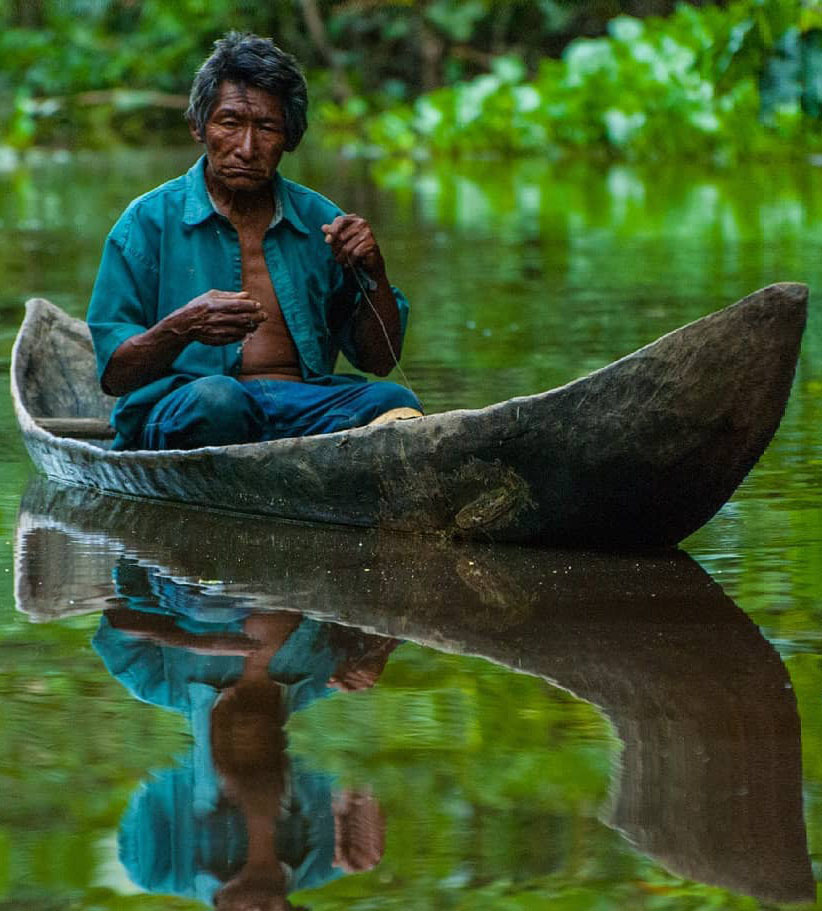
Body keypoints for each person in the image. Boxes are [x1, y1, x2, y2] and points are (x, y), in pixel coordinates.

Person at [87, 32, 422, 451]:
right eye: (229, 123)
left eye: (266, 127)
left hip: (301, 407)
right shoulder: (147, 222)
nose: (246, 148)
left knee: (394, 402)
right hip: (191, 405)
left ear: (290, 138)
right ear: (198, 126)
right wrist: (182, 326)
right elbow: (115, 377)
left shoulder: (322, 221)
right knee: (219, 400)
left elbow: (380, 361)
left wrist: (375, 271)